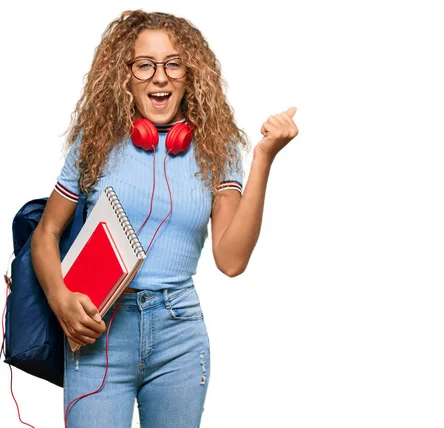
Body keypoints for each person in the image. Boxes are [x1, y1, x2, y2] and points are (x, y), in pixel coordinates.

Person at [31, 9, 298, 428]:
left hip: (179, 334)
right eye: (145, 65)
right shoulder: (97, 143)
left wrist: (263, 157)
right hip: (100, 331)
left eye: (173, 63)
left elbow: (231, 260)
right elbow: (46, 233)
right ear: (126, 76)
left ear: (190, 75)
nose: (160, 76)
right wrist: (60, 299)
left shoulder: (218, 150)